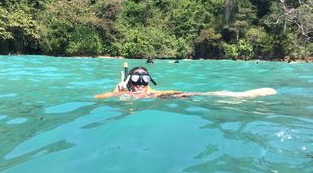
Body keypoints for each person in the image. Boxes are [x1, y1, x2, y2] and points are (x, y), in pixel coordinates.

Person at [94, 66, 277, 99]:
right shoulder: (123, 93)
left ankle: (236, 96)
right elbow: (97, 97)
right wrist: (116, 93)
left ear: (150, 82)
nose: (140, 83)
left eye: (144, 79)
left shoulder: (155, 93)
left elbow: (184, 92)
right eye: (135, 79)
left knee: (196, 95)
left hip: (160, 100)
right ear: (129, 82)